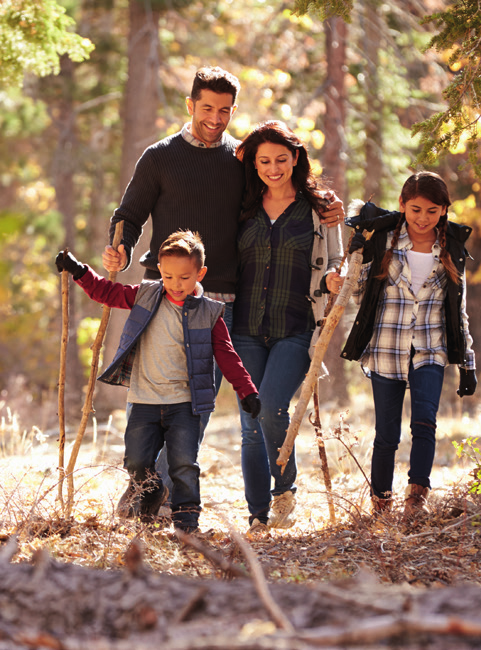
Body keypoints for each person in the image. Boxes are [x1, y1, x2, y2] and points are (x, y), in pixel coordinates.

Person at [101, 66, 344, 503]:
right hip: (161, 296)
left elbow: (282, 188)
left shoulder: (240, 160)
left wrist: (326, 202)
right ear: (190, 104)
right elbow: (129, 215)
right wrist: (118, 246)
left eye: (225, 110)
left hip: (221, 301)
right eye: (207, 108)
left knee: (197, 404)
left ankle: (157, 495)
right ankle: (144, 484)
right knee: (157, 396)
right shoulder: (159, 157)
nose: (215, 118)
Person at [56, 230, 261, 533]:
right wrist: (79, 271)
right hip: (144, 400)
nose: (176, 285)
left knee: (183, 465)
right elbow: (108, 293)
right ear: (160, 272)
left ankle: (186, 522)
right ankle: (151, 491)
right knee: (136, 461)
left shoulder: (210, 312)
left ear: (200, 273)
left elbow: (227, 355)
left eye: (184, 278)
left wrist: (246, 390)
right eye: (168, 277)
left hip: (185, 404)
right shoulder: (146, 295)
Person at [342, 171, 477, 518]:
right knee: (386, 433)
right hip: (387, 347)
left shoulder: (451, 248)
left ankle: (416, 498)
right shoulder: (384, 240)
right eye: (415, 209)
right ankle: (381, 504)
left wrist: (467, 362)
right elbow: (358, 295)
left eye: (432, 211)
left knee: (425, 423)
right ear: (402, 205)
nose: (423, 218)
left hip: (430, 348)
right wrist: (357, 258)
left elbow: (458, 309)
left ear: (444, 210)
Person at [232, 121, 344, 534]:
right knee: (249, 422)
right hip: (244, 327)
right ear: (255, 164)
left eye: (281, 159)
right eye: (264, 161)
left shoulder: (319, 208)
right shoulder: (242, 204)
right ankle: (257, 515)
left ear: (295, 158)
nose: (273, 167)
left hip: (296, 326)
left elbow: (337, 259)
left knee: (272, 406)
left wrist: (335, 277)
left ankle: (284, 486)